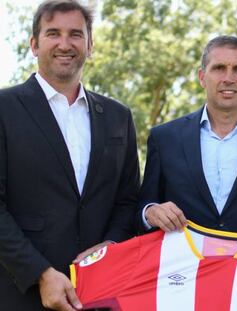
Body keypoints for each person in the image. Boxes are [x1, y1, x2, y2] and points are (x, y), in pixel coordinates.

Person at [0, 1, 140, 310]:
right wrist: (40, 273)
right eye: (54, 33)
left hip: (100, 293)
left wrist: (112, 246)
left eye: (76, 34)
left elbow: (128, 199)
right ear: (34, 44)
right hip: (19, 294)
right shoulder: (4, 108)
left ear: (90, 46)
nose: (65, 44)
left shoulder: (118, 116)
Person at [137, 35, 237, 242]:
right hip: (180, 270)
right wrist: (150, 212)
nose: (229, 78)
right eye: (219, 68)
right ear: (202, 77)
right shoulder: (165, 138)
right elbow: (142, 207)